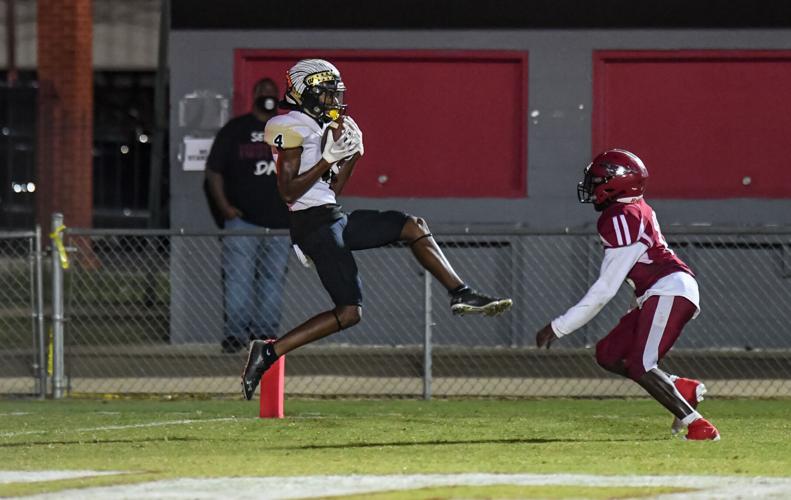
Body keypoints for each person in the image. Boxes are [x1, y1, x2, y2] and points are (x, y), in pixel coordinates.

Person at [241, 59, 513, 399]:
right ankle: (268, 353)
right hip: (311, 225)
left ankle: (461, 292)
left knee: (412, 225)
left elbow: (330, 190)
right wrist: (327, 159)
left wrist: (351, 155)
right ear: (304, 93)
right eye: (326, 94)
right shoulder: (288, 125)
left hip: (331, 216)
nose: (333, 100)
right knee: (349, 312)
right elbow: (288, 193)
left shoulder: (324, 126)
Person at [535, 149, 719, 441]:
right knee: (608, 354)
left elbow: (605, 288)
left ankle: (699, 426)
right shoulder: (630, 209)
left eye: (596, 181)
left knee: (642, 365)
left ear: (615, 183)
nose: (591, 187)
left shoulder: (621, 216)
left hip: (668, 290)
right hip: (658, 291)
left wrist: (559, 326)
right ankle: (681, 388)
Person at [206, 78, 290, 353]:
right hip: (242, 222)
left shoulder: (289, 131)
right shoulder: (236, 130)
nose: (267, 96)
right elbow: (213, 172)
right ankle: (235, 334)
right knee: (237, 277)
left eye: (271, 93)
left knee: (272, 279)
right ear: (254, 95)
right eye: (262, 92)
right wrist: (224, 207)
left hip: (280, 223)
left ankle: (265, 335)